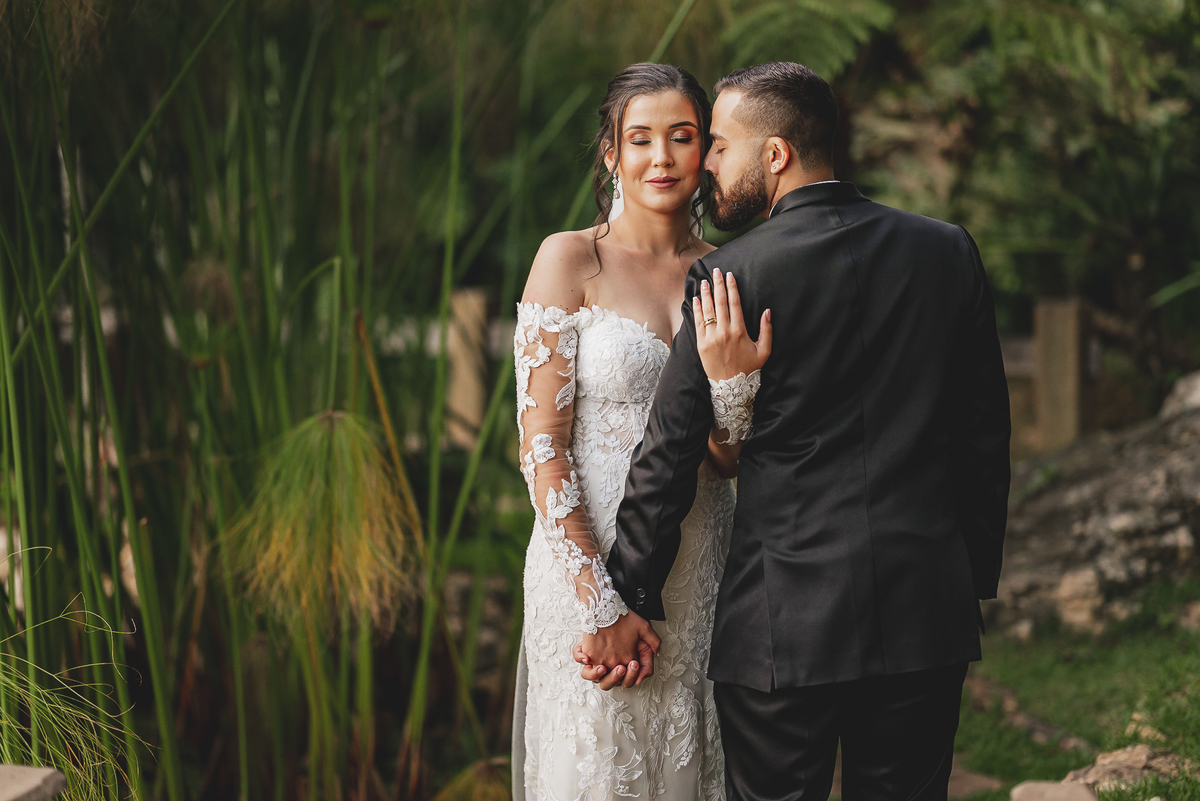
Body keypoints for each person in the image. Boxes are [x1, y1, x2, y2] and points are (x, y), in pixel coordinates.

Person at [579, 61, 1012, 801]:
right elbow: (984, 431)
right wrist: (968, 573)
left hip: (783, 624)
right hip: (924, 611)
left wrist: (629, 593)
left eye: (720, 145)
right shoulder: (947, 251)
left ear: (774, 155)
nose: (707, 163)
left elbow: (670, 451)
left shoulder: (731, 275)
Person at [511, 63, 771, 801]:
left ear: (706, 150)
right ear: (611, 153)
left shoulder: (728, 272)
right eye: (642, 139)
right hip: (583, 563)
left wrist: (734, 385)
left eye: (683, 137)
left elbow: (725, 458)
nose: (662, 158)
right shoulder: (571, 259)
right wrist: (602, 602)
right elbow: (539, 446)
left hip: (696, 567)